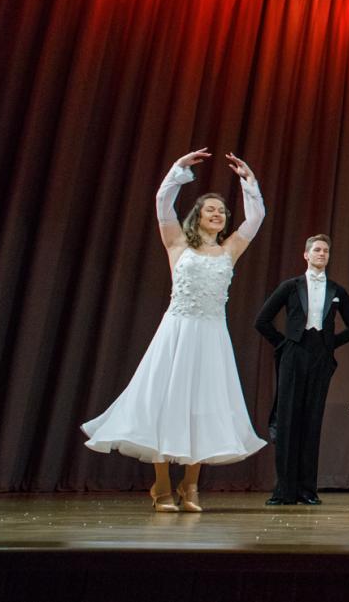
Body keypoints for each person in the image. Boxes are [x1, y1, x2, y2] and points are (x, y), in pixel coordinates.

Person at [82, 148, 267, 512]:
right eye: (210, 208)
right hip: (177, 332)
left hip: (211, 336)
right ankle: (163, 485)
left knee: (203, 406)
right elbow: (162, 204)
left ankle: (191, 485)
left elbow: (256, 218)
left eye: (222, 211)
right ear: (198, 215)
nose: (217, 213)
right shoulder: (177, 243)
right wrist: (178, 169)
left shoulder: (230, 249)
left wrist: (250, 183)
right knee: (165, 403)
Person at [254, 234, 349, 506]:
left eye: (326, 250)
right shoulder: (291, 286)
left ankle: (307, 490)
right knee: (287, 420)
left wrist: (329, 344)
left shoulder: (336, 290)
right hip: (293, 355)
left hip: (320, 358)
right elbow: (262, 320)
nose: (322, 254)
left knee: (312, 421)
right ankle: (284, 490)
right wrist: (285, 344)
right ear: (306, 254)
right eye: (317, 250)